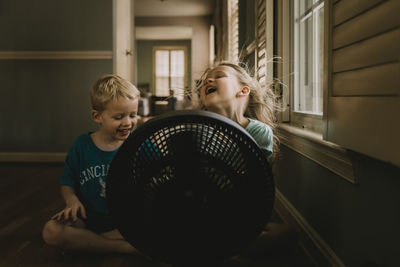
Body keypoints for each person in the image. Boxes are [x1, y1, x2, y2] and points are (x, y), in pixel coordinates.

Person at [42, 74, 142, 254]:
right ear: (97, 116)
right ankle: (121, 247)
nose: (128, 122)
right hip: (88, 219)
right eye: (119, 117)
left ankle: (92, 243)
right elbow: (67, 182)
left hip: (126, 221)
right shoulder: (81, 146)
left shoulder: (139, 144)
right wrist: (71, 201)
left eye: (133, 115)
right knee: (51, 231)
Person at [195, 62, 279, 159]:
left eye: (219, 76)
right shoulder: (198, 130)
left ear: (243, 91)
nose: (207, 81)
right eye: (205, 80)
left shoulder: (259, 131)